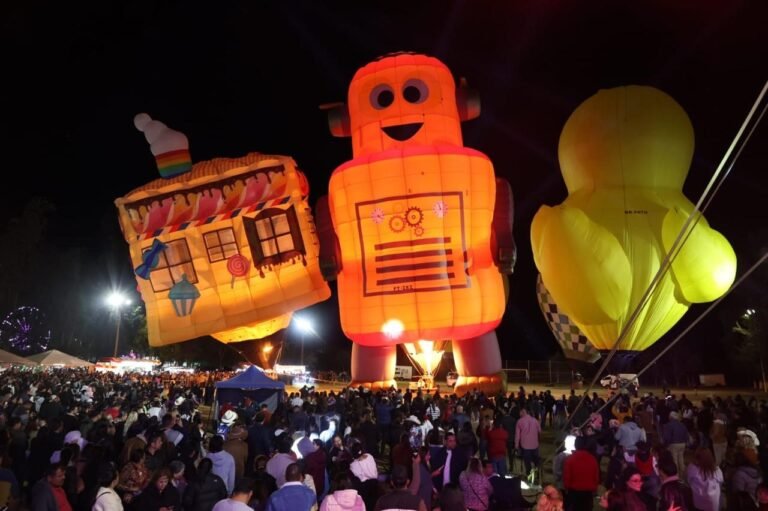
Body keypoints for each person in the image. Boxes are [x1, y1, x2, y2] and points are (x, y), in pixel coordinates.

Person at [562, 436, 599, 511]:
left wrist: (566, 487)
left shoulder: (570, 459)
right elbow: (596, 476)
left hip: (574, 492)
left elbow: (567, 476)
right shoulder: (592, 459)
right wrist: (595, 488)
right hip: (588, 492)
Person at [514, 409, 540, 477]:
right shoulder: (535, 420)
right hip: (535, 444)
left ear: (522, 412)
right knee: (536, 461)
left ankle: (530, 476)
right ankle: (537, 475)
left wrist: (516, 446)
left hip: (525, 446)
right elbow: (539, 431)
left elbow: (517, 435)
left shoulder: (519, 421)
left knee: (527, 463)